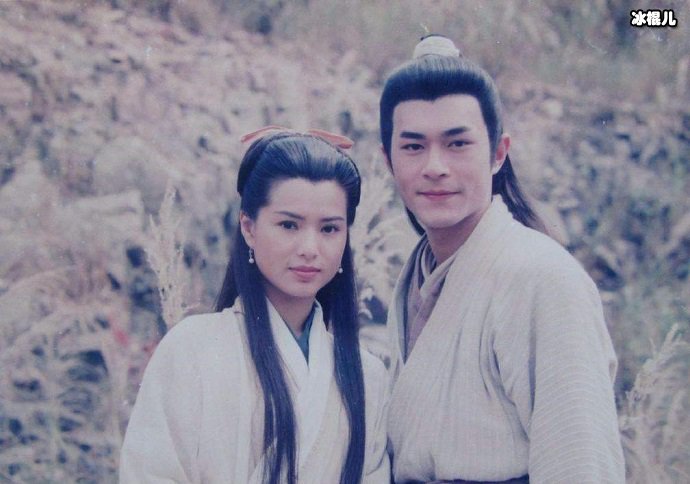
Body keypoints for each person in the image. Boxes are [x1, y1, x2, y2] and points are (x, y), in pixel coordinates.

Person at [380, 35, 625, 483]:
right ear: (388, 160)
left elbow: (580, 462)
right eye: (413, 147)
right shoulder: (419, 276)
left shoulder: (543, 277)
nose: (435, 166)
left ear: (497, 154)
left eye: (457, 144)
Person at [119, 128, 390, 483]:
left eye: (329, 229)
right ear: (248, 227)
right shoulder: (191, 350)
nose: (310, 248)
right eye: (289, 225)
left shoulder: (367, 376)